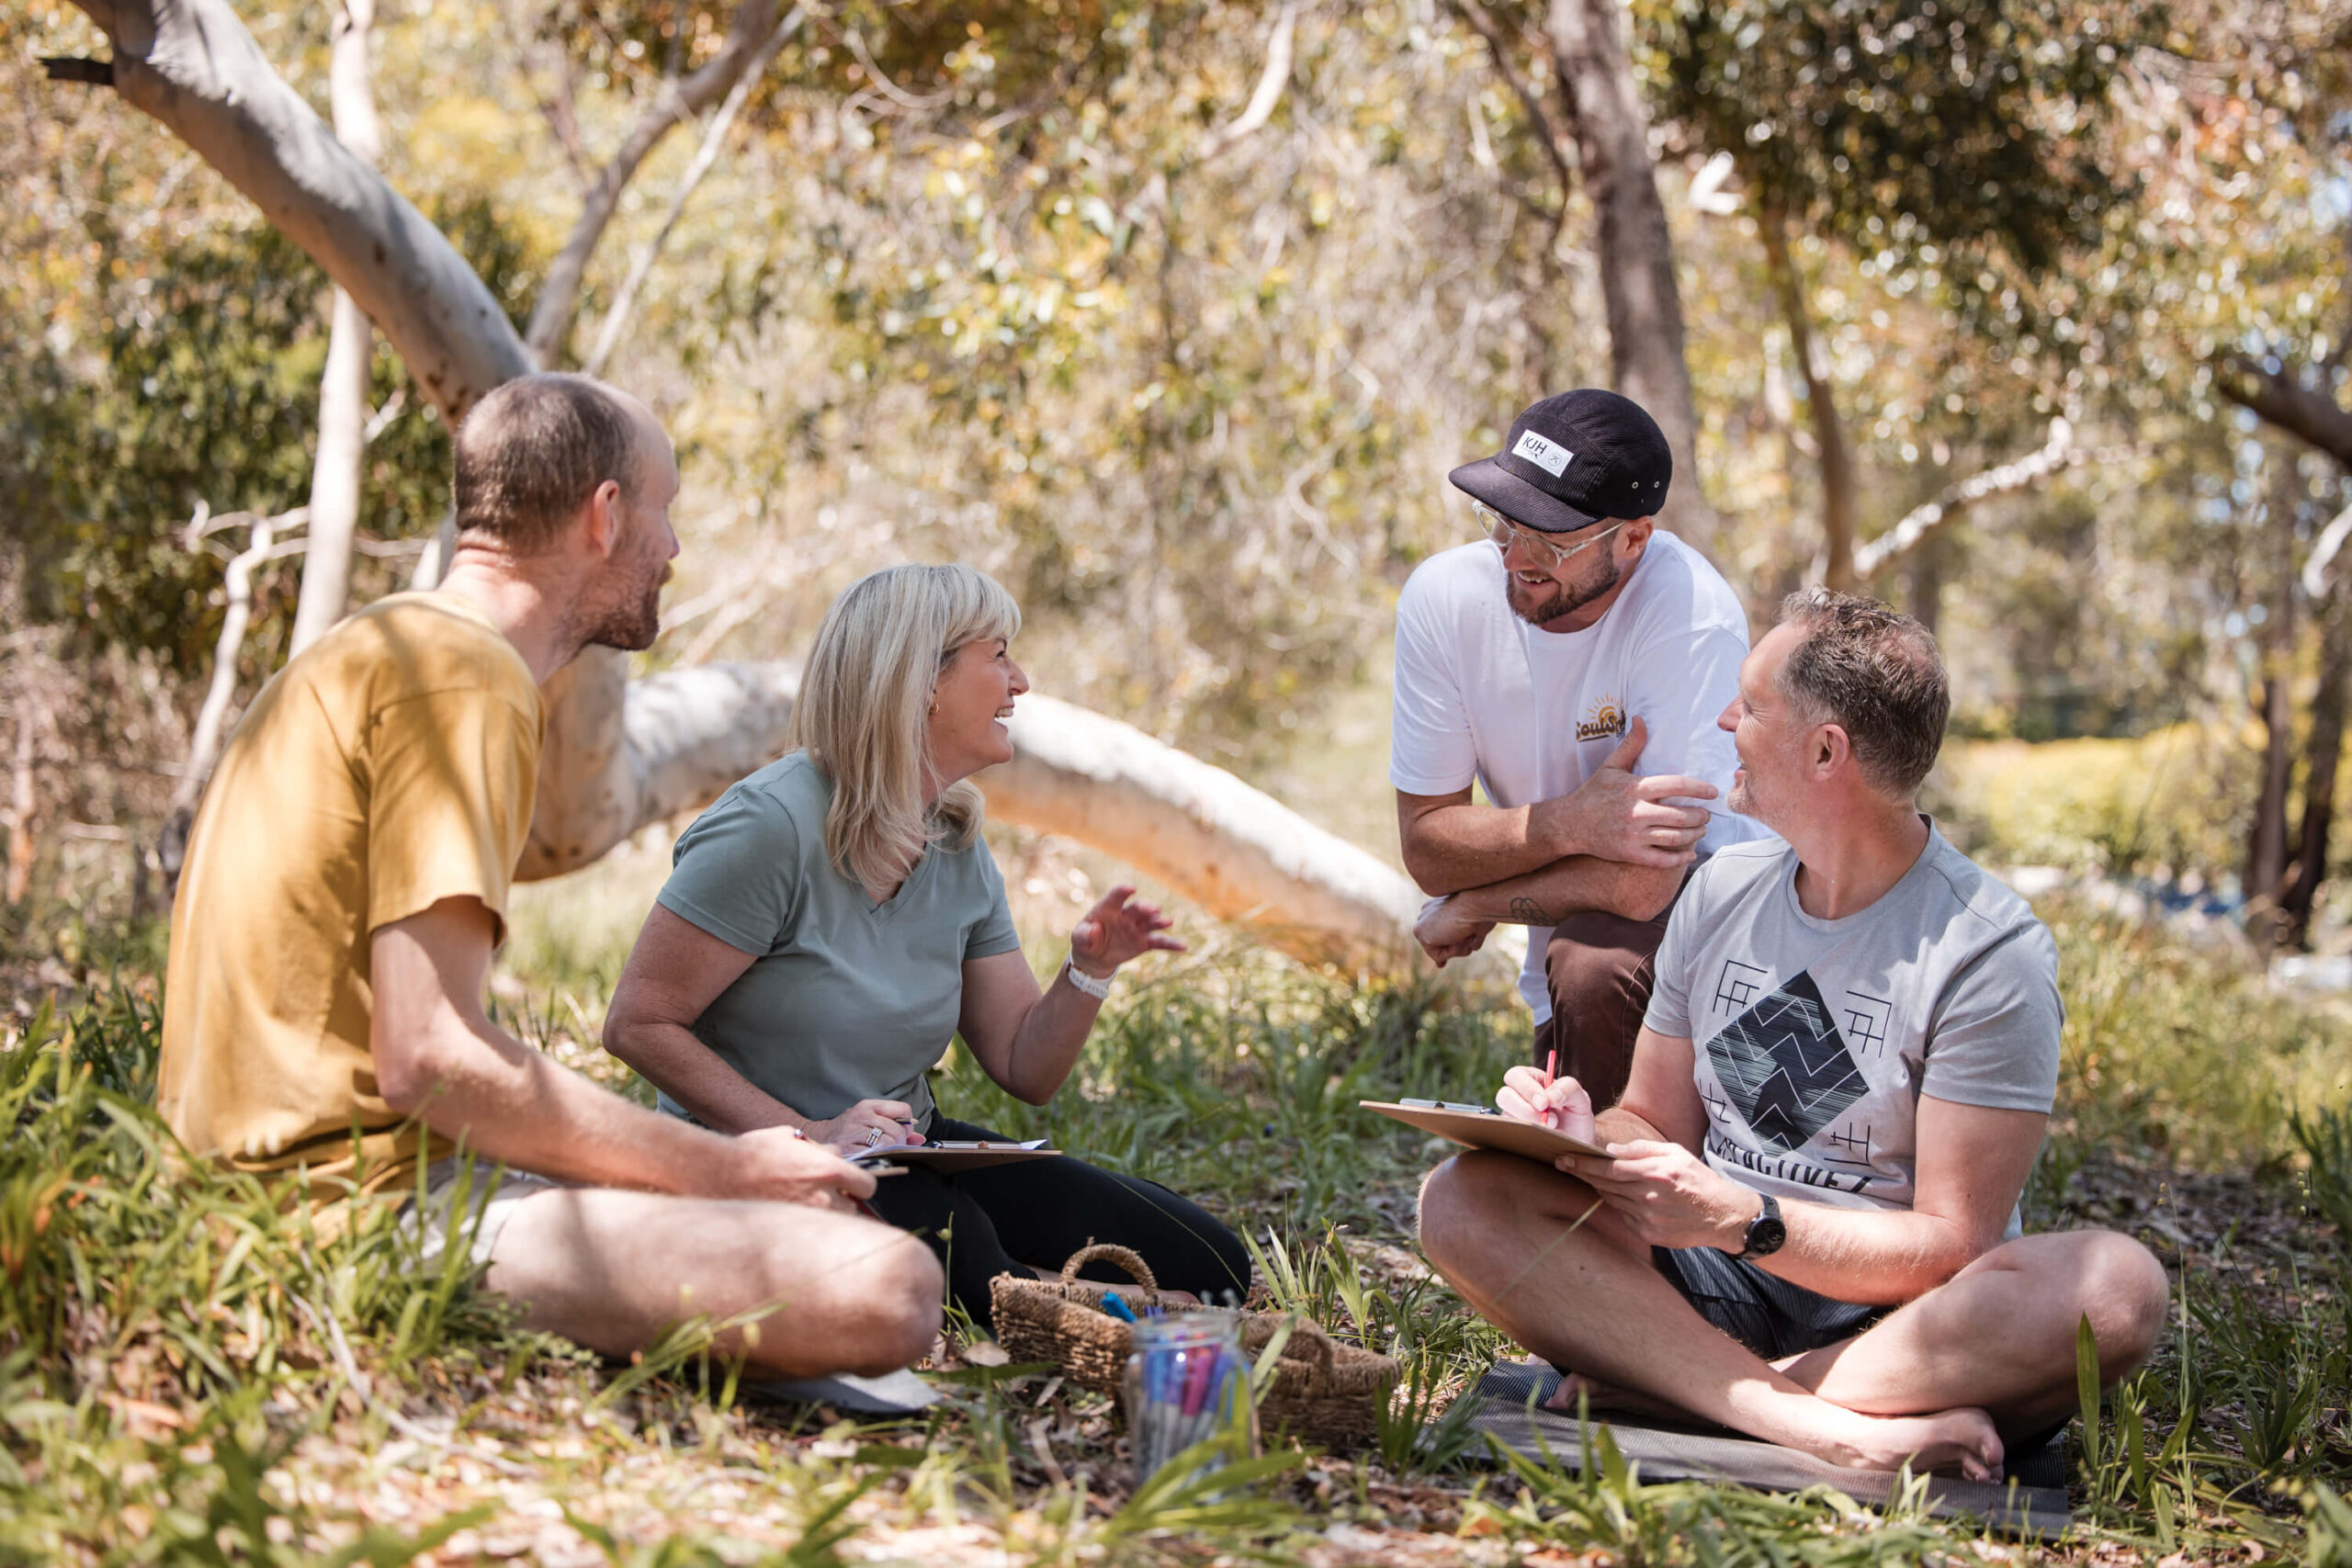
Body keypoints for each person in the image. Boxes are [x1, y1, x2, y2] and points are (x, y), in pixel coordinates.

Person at [158, 374, 941, 1381]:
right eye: (666, 511)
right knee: (890, 1285)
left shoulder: (371, 649)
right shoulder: (464, 678)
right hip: (343, 1214)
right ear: (605, 515)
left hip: (284, 1179)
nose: (673, 548)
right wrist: (730, 1168)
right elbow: (430, 1057)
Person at [1417, 590, 2170, 1480]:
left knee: (2119, 1292)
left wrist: (1748, 1218)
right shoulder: (1723, 887)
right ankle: (1821, 1424)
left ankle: (1712, 1394)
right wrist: (1586, 1135)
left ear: (1825, 751)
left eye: (1751, 705)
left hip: (1896, 1327)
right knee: (1460, 1199)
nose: (1725, 719)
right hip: (1707, 1284)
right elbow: (1652, 1122)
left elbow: (1951, 1244)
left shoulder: (1986, 951)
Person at [603, 563, 1253, 1330]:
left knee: (1210, 1261)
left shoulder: (955, 843)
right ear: (923, 679)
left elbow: (1023, 1066)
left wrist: (1089, 970)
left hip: (907, 1145)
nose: (1022, 680)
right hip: (755, 1153)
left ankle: (1065, 1292)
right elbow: (638, 1022)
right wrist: (807, 1135)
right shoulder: (769, 827)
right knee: (971, 1255)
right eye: (999, 654)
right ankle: (1055, 1298)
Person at [1393, 389, 1766, 1111]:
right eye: (1506, 521)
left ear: (1633, 538)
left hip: (1717, 936)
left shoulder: (1690, 617)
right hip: (1568, 937)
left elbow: (1647, 885)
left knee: (1594, 962)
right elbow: (1427, 847)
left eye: (1553, 537)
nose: (1518, 556)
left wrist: (1476, 900)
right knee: (1561, 1145)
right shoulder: (1443, 599)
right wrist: (1572, 820)